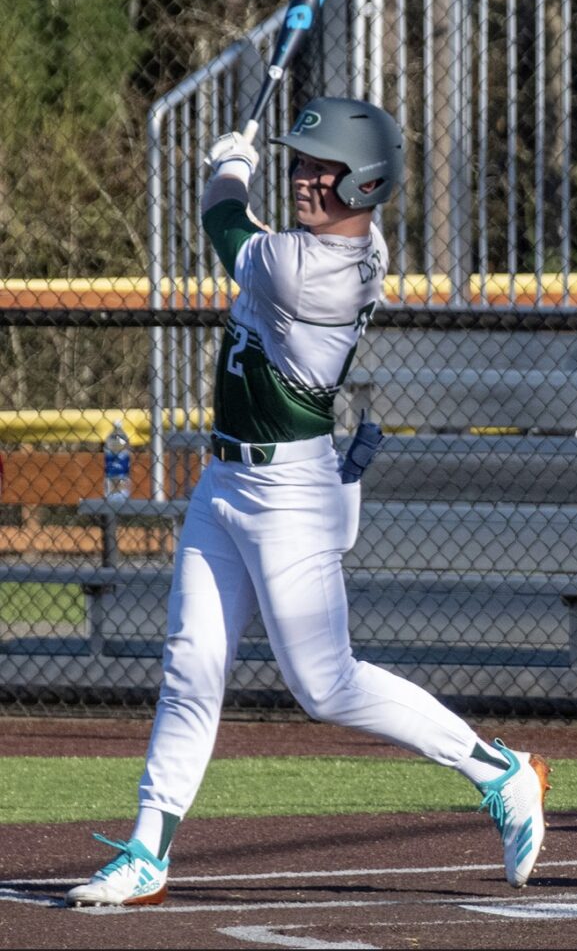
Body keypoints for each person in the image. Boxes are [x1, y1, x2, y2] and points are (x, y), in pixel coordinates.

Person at [66, 96, 551, 908]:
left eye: (322, 168)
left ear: (363, 185)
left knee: (324, 685)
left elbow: (224, 221)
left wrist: (230, 164)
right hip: (224, 479)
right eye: (298, 162)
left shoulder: (308, 268)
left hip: (290, 494)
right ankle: (147, 850)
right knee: (191, 665)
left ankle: (500, 774)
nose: (303, 176)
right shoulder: (335, 247)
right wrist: (246, 172)